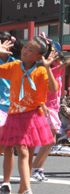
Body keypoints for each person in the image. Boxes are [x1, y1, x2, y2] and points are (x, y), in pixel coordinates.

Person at [0, 35, 58, 194]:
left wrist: (47, 67)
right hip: (16, 116)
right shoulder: (14, 66)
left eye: (31, 49)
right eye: (26, 47)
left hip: (33, 116)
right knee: (23, 151)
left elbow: (53, 88)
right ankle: (28, 191)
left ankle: (22, 190)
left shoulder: (40, 71)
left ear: (39, 56)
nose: (25, 51)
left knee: (29, 154)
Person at [31, 43, 70, 181]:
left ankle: (37, 168)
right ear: (54, 61)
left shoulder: (57, 73)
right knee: (49, 141)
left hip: (53, 109)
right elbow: (68, 62)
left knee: (49, 142)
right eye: (60, 60)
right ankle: (34, 168)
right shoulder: (51, 71)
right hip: (46, 108)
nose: (62, 63)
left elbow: (66, 62)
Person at [0, 32, 23, 194]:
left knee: (8, 148)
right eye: (2, 43)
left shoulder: (17, 64)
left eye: (8, 43)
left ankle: (6, 182)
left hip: (13, 110)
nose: (5, 46)